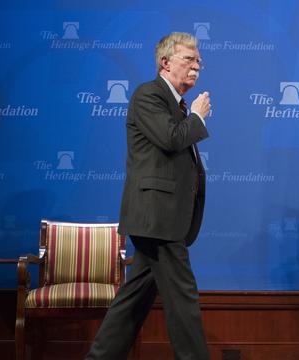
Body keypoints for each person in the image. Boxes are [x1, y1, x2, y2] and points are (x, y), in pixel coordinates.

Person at [86, 32, 211, 360]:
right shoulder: (149, 95)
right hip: (158, 218)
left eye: (199, 60)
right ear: (165, 62)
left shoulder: (175, 103)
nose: (197, 66)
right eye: (189, 59)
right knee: (184, 304)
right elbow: (171, 139)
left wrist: (191, 115)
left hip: (160, 218)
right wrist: (197, 116)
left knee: (132, 302)